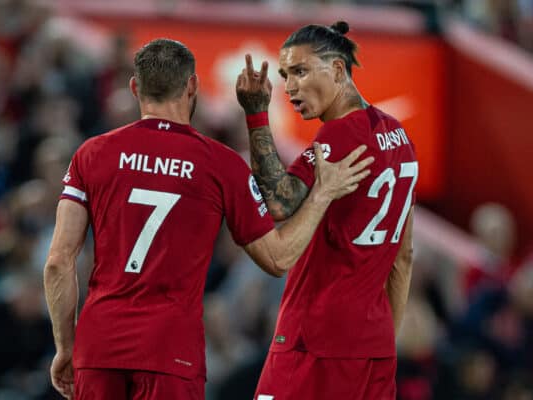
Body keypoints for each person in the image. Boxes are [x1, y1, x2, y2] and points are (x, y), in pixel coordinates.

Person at [43, 38, 374, 400]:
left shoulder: (92, 154)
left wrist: (65, 345)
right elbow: (278, 259)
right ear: (192, 86)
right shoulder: (221, 164)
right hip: (170, 350)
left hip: (100, 346)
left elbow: (59, 262)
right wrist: (323, 193)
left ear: (135, 87)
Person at [235, 21, 418, 400]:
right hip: (374, 349)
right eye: (285, 75)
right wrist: (380, 340)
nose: (289, 87)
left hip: (315, 341)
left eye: (300, 71)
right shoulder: (401, 138)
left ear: (337, 70)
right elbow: (404, 257)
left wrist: (255, 115)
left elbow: (280, 201)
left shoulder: (340, 134)